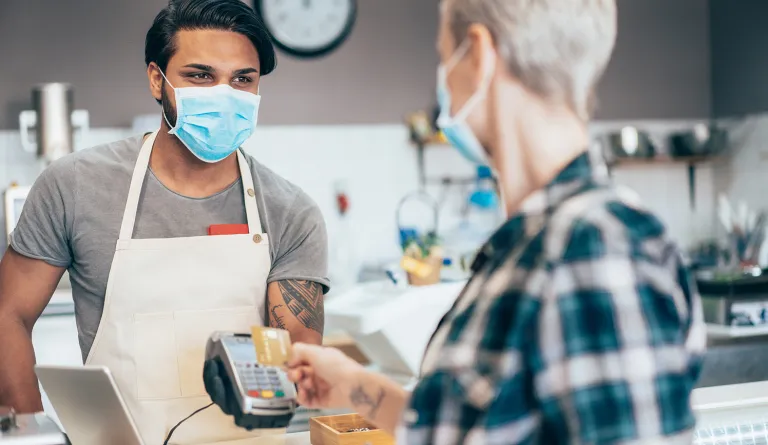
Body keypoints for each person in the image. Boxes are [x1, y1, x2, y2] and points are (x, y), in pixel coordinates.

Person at [283, 0, 706, 443]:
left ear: (479, 55)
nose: (444, 79)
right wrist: (351, 384)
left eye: (445, 56)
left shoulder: (596, 248)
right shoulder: (531, 246)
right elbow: (468, 428)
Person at [0, 0, 328, 442]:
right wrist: (27, 430)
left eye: (242, 80)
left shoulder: (290, 211)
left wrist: (295, 372)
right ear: (157, 79)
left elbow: (298, 351)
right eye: (200, 75)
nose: (224, 93)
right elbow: (8, 314)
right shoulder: (74, 186)